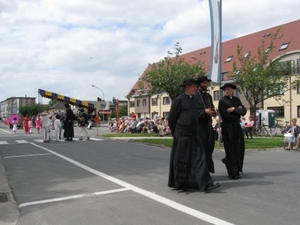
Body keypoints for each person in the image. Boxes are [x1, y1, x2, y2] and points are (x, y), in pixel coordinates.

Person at [168, 78, 220, 192]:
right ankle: (181, 183)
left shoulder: (195, 100)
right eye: (193, 87)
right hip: (182, 134)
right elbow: (172, 118)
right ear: (187, 87)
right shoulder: (179, 100)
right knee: (182, 159)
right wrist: (175, 133)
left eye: (196, 87)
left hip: (194, 133)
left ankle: (206, 182)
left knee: (200, 157)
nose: (195, 89)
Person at [218, 83, 247, 179]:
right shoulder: (222, 101)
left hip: (236, 126)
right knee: (230, 148)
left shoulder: (236, 100)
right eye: (225, 89)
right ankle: (232, 172)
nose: (226, 91)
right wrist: (237, 111)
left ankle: (237, 168)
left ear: (232, 90)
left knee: (239, 147)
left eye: (228, 89)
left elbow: (243, 111)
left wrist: (234, 109)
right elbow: (225, 114)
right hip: (228, 126)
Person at [195, 75, 216, 174]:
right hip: (199, 126)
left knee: (209, 147)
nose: (205, 85)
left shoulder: (208, 96)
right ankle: (201, 173)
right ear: (199, 84)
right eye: (203, 83)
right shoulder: (195, 95)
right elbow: (193, 111)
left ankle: (206, 172)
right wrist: (204, 112)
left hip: (208, 126)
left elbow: (211, 107)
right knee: (201, 149)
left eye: (206, 83)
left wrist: (213, 112)